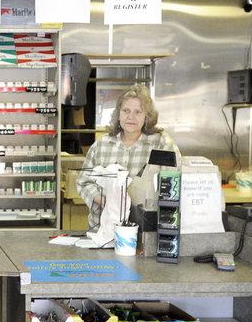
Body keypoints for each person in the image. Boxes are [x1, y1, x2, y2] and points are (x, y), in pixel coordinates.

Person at [76, 83, 180, 230]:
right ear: (118, 113)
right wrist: (106, 202)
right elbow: (84, 182)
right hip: (104, 230)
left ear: (147, 116)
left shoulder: (161, 144)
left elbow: (174, 185)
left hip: (145, 232)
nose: (131, 117)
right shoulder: (102, 145)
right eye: (126, 110)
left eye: (138, 112)